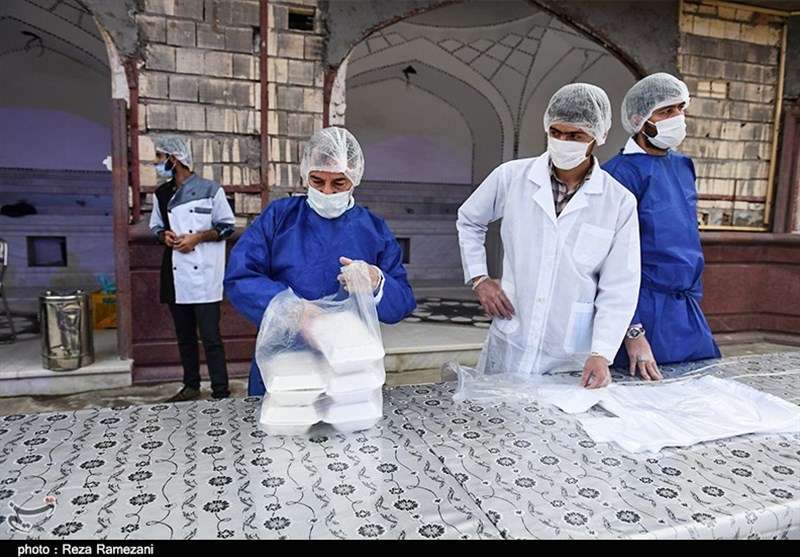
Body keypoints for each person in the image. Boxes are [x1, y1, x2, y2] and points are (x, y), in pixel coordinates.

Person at [456, 83, 641, 390]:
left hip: (570, 352)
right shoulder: (511, 177)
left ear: (600, 135)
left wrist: (602, 353)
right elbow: (469, 220)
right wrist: (479, 278)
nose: (563, 142)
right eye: (556, 132)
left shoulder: (618, 201)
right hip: (513, 337)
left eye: (575, 136)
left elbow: (620, 285)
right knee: (497, 411)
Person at [224, 126, 417, 396]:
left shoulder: (374, 230)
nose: (327, 191)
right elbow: (241, 276)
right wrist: (293, 311)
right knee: (283, 419)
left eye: (338, 183)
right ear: (306, 174)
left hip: (349, 363)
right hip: (284, 357)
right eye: (317, 181)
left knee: (348, 419)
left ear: (355, 178)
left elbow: (403, 302)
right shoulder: (279, 217)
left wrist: (376, 282)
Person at [603, 73, 721, 380]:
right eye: (666, 111)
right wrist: (632, 330)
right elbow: (607, 258)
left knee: (703, 391)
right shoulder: (618, 174)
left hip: (686, 309)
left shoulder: (683, 165)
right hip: (643, 309)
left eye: (680, 108)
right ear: (638, 120)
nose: (677, 118)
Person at [149, 135, 236, 402]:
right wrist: (163, 236)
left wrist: (197, 238)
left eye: (159, 156)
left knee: (211, 337)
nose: (155, 162)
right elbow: (155, 226)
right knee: (184, 336)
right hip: (176, 274)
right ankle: (191, 385)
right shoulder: (161, 194)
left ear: (173, 158)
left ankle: (220, 390)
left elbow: (227, 226)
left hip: (205, 275)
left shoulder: (211, 190)